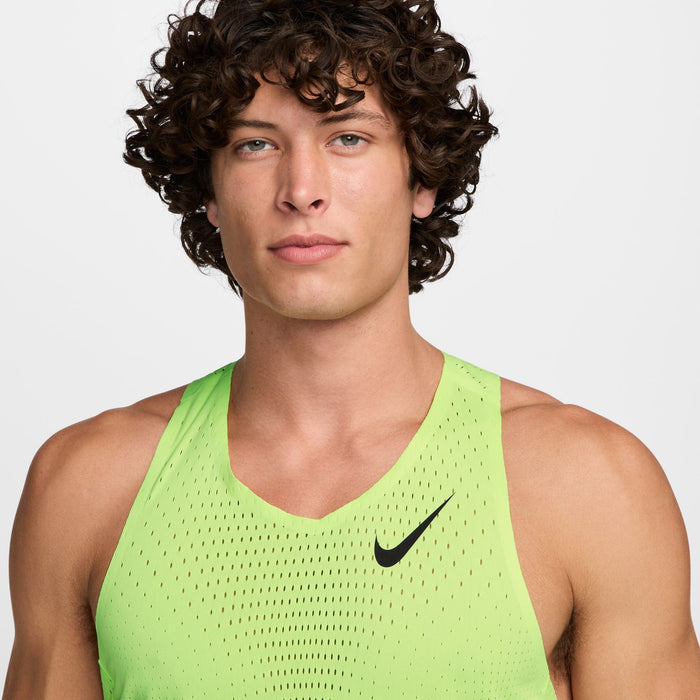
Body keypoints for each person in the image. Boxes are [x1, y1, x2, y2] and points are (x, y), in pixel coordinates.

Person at [4, 0, 700, 697]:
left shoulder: (587, 484)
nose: (302, 191)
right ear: (209, 191)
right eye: (255, 145)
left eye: (347, 137)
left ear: (421, 177)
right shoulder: (87, 487)